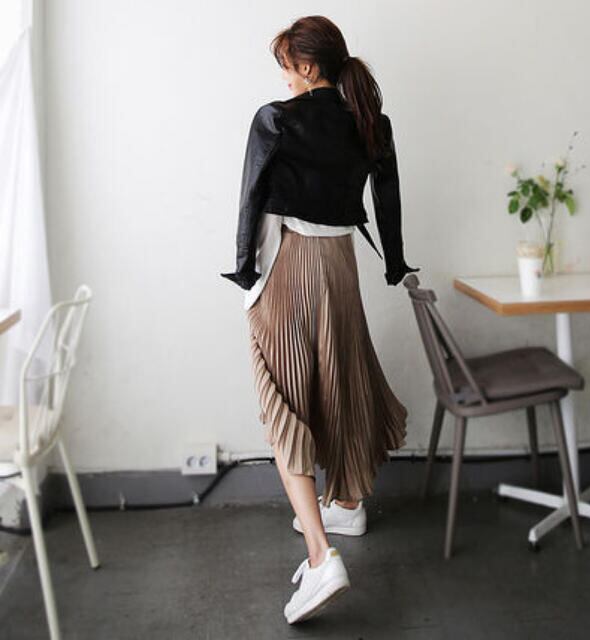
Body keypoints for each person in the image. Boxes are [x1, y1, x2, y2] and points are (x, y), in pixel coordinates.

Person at [221, 15, 420, 624]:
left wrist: (245, 273)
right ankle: (348, 506)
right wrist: (395, 262)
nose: (283, 78)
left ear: (307, 66)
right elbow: (388, 198)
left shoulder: (276, 119)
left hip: (292, 262)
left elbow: (252, 199)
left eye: (286, 66)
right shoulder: (371, 121)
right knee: (341, 380)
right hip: (341, 263)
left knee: (284, 397)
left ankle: (319, 556)